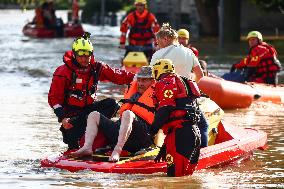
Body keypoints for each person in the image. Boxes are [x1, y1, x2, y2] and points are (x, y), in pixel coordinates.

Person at [48, 32, 135, 150]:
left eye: (87, 55)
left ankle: (99, 133)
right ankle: (80, 141)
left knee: (112, 104)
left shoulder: (97, 68)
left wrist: (140, 78)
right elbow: (54, 99)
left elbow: (117, 75)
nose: (84, 59)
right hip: (72, 116)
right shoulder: (63, 72)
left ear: (91, 54)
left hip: (90, 110)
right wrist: (63, 118)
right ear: (74, 55)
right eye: (81, 55)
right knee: (72, 140)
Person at [70, 66, 156, 161]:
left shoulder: (158, 95)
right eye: (139, 80)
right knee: (94, 115)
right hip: (123, 132)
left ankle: (117, 150)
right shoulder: (133, 93)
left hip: (141, 137)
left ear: (152, 81)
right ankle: (87, 147)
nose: (140, 83)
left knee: (127, 113)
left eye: (144, 80)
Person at [150, 23, 208, 148]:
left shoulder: (158, 55)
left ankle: (154, 146)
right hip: (186, 99)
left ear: (165, 39)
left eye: (158, 41)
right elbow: (200, 74)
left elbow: (152, 78)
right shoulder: (189, 52)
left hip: (166, 99)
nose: (157, 44)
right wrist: (190, 87)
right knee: (203, 125)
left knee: (158, 125)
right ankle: (202, 152)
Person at [150, 59, 201, 177]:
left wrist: (151, 132)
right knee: (186, 178)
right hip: (194, 133)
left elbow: (165, 109)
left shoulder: (165, 82)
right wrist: (165, 147)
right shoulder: (183, 82)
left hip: (180, 134)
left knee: (174, 178)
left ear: (158, 70)